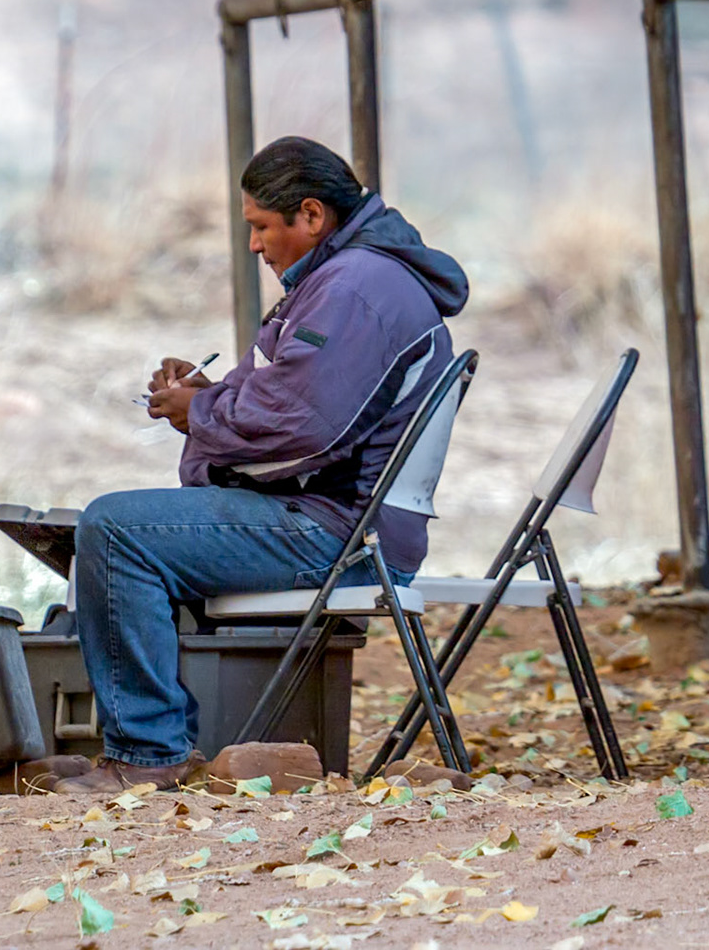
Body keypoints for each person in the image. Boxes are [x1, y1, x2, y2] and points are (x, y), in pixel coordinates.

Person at [65, 136, 468, 794]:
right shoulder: (354, 277)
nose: (254, 245)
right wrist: (207, 394)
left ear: (311, 215)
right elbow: (293, 399)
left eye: (259, 227)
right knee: (111, 527)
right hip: (340, 520)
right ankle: (167, 743)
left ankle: (147, 754)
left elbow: (301, 429)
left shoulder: (354, 289)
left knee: (113, 530)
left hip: (339, 534)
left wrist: (200, 413)